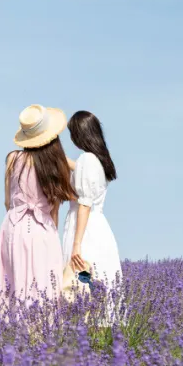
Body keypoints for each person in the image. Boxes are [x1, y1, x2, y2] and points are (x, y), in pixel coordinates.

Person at [0, 104, 77, 319]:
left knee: (13, 283)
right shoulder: (56, 164)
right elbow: (55, 208)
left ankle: (12, 333)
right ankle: (43, 338)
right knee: (46, 285)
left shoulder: (12, 159)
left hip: (14, 226)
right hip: (43, 228)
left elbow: (7, 201)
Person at [63, 110, 122, 325]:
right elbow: (81, 174)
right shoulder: (97, 159)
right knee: (94, 284)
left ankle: (85, 335)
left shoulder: (86, 159)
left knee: (80, 282)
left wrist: (77, 244)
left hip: (84, 228)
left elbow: (84, 203)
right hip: (97, 226)